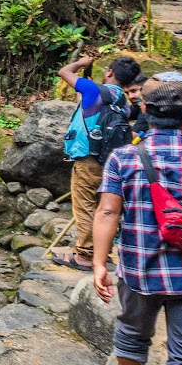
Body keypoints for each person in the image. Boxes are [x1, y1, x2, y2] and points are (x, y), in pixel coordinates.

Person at [93, 78, 182, 365]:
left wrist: (100, 263)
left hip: (138, 270)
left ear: (145, 111)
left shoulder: (124, 158)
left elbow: (107, 212)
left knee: (132, 334)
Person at [56, 53, 145, 270]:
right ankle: (102, 253)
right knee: (103, 208)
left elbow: (64, 72)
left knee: (85, 206)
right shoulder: (122, 101)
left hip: (88, 160)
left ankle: (85, 255)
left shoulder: (93, 90)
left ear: (110, 72)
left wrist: (81, 63)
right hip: (111, 162)